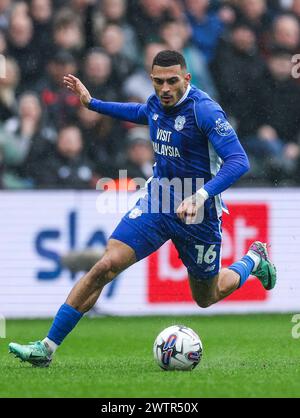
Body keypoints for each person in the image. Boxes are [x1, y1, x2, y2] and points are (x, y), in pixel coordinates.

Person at [9, 50, 277, 367]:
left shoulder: (205, 111)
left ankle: (253, 260)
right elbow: (138, 111)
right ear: (152, 80)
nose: (165, 89)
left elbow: (239, 161)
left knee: (207, 296)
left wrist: (201, 196)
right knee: (104, 266)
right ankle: (46, 348)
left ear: (187, 79)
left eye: (172, 81)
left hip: (199, 212)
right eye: (159, 82)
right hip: (159, 200)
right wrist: (92, 103)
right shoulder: (155, 104)